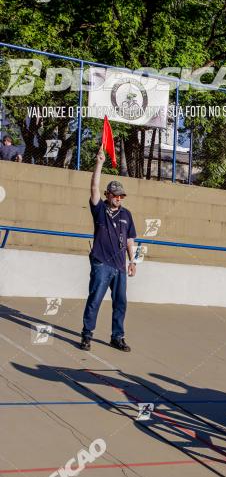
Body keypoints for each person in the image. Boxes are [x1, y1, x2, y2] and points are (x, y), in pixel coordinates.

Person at [80, 147, 137, 351]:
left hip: (120, 266)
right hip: (101, 262)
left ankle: (117, 336)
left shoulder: (127, 215)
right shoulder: (100, 209)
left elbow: (130, 239)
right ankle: (87, 335)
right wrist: (99, 164)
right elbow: (94, 188)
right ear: (108, 195)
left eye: (121, 196)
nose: (119, 199)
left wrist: (132, 261)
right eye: (115, 195)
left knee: (120, 303)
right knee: (95, 299)